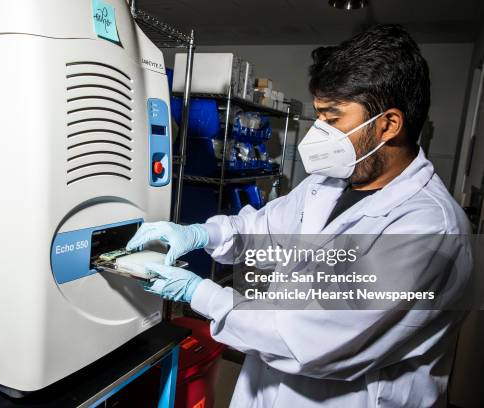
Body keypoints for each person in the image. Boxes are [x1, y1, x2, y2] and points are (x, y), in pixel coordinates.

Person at [127, 25, 472, 407]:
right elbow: (261, 230)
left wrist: (198, 292)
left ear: (388, 125)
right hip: (268, 387)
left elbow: (311, 336)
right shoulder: (328, 183)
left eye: (333, 118)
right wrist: (199, 234)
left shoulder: (429, 229)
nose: (319, 133)